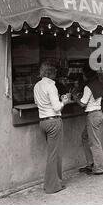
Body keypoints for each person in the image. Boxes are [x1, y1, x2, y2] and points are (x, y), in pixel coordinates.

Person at [33, 62, 70, 194]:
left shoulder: (37, 85)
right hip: (53, 121)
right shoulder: (51, 86)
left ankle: (54, 182)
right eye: (55, 72)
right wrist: (64, 102)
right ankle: (52, 186)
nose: (56, 74)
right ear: (51, 73)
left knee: (52, 154)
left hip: (42, 121)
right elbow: (56, 107)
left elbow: (37, 103)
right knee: (55, 155)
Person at [75, 66, 103, 175]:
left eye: (83, 74)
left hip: (92, 115)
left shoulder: (88, 87)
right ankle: (91, 164)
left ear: (87, 75)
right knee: (85, 137)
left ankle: (100, 167)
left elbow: (83, 103)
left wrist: (75, 98)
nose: (82, 76)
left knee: (94, 142)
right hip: (98, 113)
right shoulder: (98, 83)